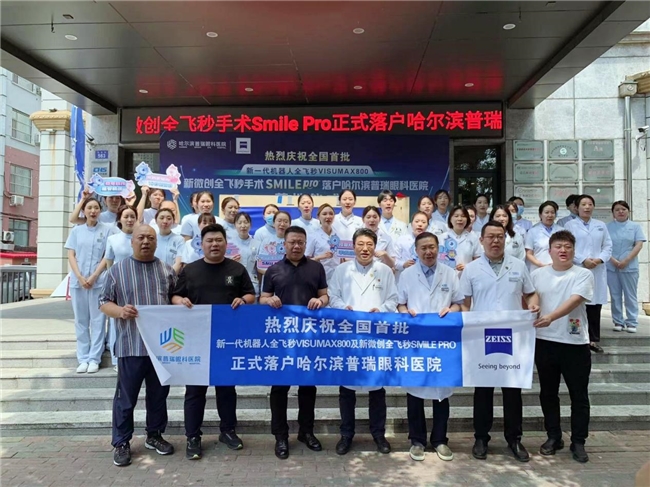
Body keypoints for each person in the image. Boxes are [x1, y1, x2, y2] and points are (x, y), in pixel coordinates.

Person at [171, 223, 256, 460]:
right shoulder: (190, 270)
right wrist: (180, 302)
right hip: (196, 339)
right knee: (194, 391)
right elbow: (175, 295)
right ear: (202, 244)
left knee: (226, 389)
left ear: (226, 243)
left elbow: (251, 295)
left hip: (227, 340)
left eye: (219, 240)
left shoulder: (237, 269)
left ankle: (228, 431)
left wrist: (243, 300)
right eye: (210, 240)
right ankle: (193, 437)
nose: (214, 244)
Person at [459, 221, 539, 463]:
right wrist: (467, 324)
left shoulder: (518, 265)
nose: (495, 241)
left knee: (512, 390)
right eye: (491, 237)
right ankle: (481, 438)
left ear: (505, 239)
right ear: (481, 240)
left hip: (512, 337)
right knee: (482, 390)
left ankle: (514, 439)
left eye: (500, 236)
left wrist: (533, 305)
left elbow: (530, 293)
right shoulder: (471, 269)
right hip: (481, 337)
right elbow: (465, 302)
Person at [99, 225, 177, 467]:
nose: (145, 242)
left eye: (150, 238)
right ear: (131, 241)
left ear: (156, 242)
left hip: (161, 347)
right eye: (141, 237)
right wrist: (120, 311)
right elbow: (103, 302)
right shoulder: (117, 271)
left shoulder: (166, 270)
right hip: (130, 345)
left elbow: (175, 299)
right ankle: (121, 442)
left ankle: (154, 435)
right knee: (126, 398)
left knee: (158, 396)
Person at [260, 226, 329, 460]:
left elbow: (325, 295)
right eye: (292, 242)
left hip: (309, 338)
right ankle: (280, 436)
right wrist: (270, 300)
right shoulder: (273, 270)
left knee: (308, 387)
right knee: (279, 388)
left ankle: (306, 432)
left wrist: (321, 301)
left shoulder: (316, 268)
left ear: (306, 244)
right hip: (281, 339)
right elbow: (262, 298)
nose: (297, 246)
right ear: (284, 244)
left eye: (300, 242)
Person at [328, 228, 398, 456]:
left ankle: (378, 434)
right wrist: (343, 308)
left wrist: (382, 309)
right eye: (360, 244)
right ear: (353, 246)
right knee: (347, 389)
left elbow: (393, 299)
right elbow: (333, 296)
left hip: (375, 335)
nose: (365, 248)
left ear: (375, 247)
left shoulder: (384, 271)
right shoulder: (341, 270)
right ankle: (346, 435)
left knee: (377, 388)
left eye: (369, 244)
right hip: (349, 334)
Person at [398, 231, 463, 462]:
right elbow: (400, 303)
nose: (428, 252)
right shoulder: (407, 275)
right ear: (416, 251)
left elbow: (458, 303)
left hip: (442, 341)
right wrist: (406, 313)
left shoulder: (449, 273)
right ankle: (417, 440)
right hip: (416, 340)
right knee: (414, 392)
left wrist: (450, 310)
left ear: (438, 249)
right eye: (423, 248)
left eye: (432, 247)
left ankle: (440, 440)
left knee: (441, 392)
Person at [531, 230, 595, 463]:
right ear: (549, 251)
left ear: (574, 250)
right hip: (545, 341)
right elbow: (530, 297)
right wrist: (532, 307)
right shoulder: (537, 275)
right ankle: (554, 436)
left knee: (579, 395)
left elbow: (575, 300)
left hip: (574, 343)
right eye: (558, 246)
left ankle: (578, 441)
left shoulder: (583, 274)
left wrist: (551, 317)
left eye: (568, 247)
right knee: (548, 393)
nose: (563, 250)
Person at [65, 197, 111, 374]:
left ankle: (94, 359)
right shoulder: (76, 231)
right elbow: (71, 255)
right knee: (81, 321)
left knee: (98, 320)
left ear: (100, 210)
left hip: (98, 282)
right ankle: (83, 358)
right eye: (89, 208)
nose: (93, 211)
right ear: (84, 211)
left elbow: (107, 256)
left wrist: (93, 276)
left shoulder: (107, 230)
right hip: (78, 282)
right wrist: (79, 276)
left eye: (96, 208)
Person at [564, 195, 612, 353]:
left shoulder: (601, 225)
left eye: (590, 204)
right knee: (576, 306)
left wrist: (599, 259)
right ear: (576, 208)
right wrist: (583, 260)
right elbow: (568, 246)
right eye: (583, 204)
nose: (587, 207)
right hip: (578, 267)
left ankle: (593, 340)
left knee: (594, 307)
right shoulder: (570, 225)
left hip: (597, 269)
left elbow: (608, 246)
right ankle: (575, 337)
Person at [105, 205, 138, 371]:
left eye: (132, 216)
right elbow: (109, 264)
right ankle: (116, 359)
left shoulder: (140, 238)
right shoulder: (113, 239)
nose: (129, 220)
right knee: (116, 321)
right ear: (119, 219)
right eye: (126, 216)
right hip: (119, 284)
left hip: (137, 283)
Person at [606, 200, 646, 333]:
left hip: (629, 266)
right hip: (611, 266)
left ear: (628, 211)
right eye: (617, 210)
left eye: (623, 209)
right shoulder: (607, 227)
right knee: (615, 295)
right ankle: (618, 321)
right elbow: (604, 246)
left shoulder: (635, 227)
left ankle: (632, 322)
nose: (620, 212)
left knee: (630, 295)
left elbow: (638, 245)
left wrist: (626, 260)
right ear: (613, 213)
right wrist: (613, 260)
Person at [437, 206, 481, 275]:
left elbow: (478, 260)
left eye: (463, 216)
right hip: (447, 276)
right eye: (456, 216)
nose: (460, 219)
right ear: (450, 219)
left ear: (467, 219)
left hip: (467, 275)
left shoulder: (473, 238)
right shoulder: (442, 238)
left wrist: (468, 267)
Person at [305, 203, 343, 282]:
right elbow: (305, 261)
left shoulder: (339, 235)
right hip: (319, 276)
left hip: (337, 277)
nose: (328, 216)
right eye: (324, 214)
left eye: (331, 214)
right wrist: (320, 257)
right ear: (318, 217)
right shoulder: (313, 236)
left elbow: (342, 257)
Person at [229, 212, 261, 297]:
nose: (243, 226)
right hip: (234, 283)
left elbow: (259, 269)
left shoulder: (258, 244)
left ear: (250, 225)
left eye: (246, 222)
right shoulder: (229, 244)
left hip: (252, 282)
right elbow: (225, 270)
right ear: (235, 225)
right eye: (239, 223)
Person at [525, 201, 562, 272]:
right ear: (540, 215)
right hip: (538, 269)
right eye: (546, 212)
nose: (550, 215)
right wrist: (541, 265)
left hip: (558, 269)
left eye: (552, 212)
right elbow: (529, 254)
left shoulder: (562, 230)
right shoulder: (532, 231)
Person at [257, 211, 291, 277]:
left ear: (290, 225)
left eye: (286, 221)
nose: (282, 224)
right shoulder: (266, 242)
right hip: (270, 278)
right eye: (279, 221)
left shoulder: (293, 242)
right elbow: (260, 267)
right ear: (273, 223)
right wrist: (274, 274)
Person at [395, 211, 430, 276]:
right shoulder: (401, 240)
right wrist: (403, 264)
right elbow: (394, 261)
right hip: (406, 275)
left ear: (428, 225)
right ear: (411, 224)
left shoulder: (431, 241)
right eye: (417, 221)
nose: (420, 224)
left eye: (423, 222)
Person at [153, 208, 185, 274]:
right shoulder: (152, 239)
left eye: (169, 218)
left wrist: (169, 276)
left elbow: (179, 263)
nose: (165, 221)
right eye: (161, 218)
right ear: (156, 220)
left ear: (173, 221)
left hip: (173, 276)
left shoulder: (179, 239)